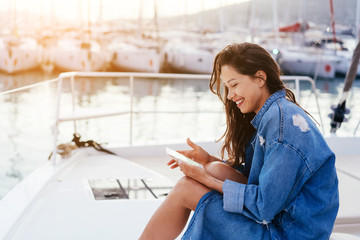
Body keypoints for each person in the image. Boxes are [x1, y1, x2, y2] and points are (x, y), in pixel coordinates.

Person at [139, 42, 339, 240]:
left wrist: (203, 178)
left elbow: (264, 207)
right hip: (283, 224)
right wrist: (207, 160)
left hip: (287, 235)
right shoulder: (276, 113)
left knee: (186, 189)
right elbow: (265, 181)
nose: (230, 95)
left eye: (234, 85)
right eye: (227, 87)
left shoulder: (282, 127)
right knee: (215, 168)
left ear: (260, 78)